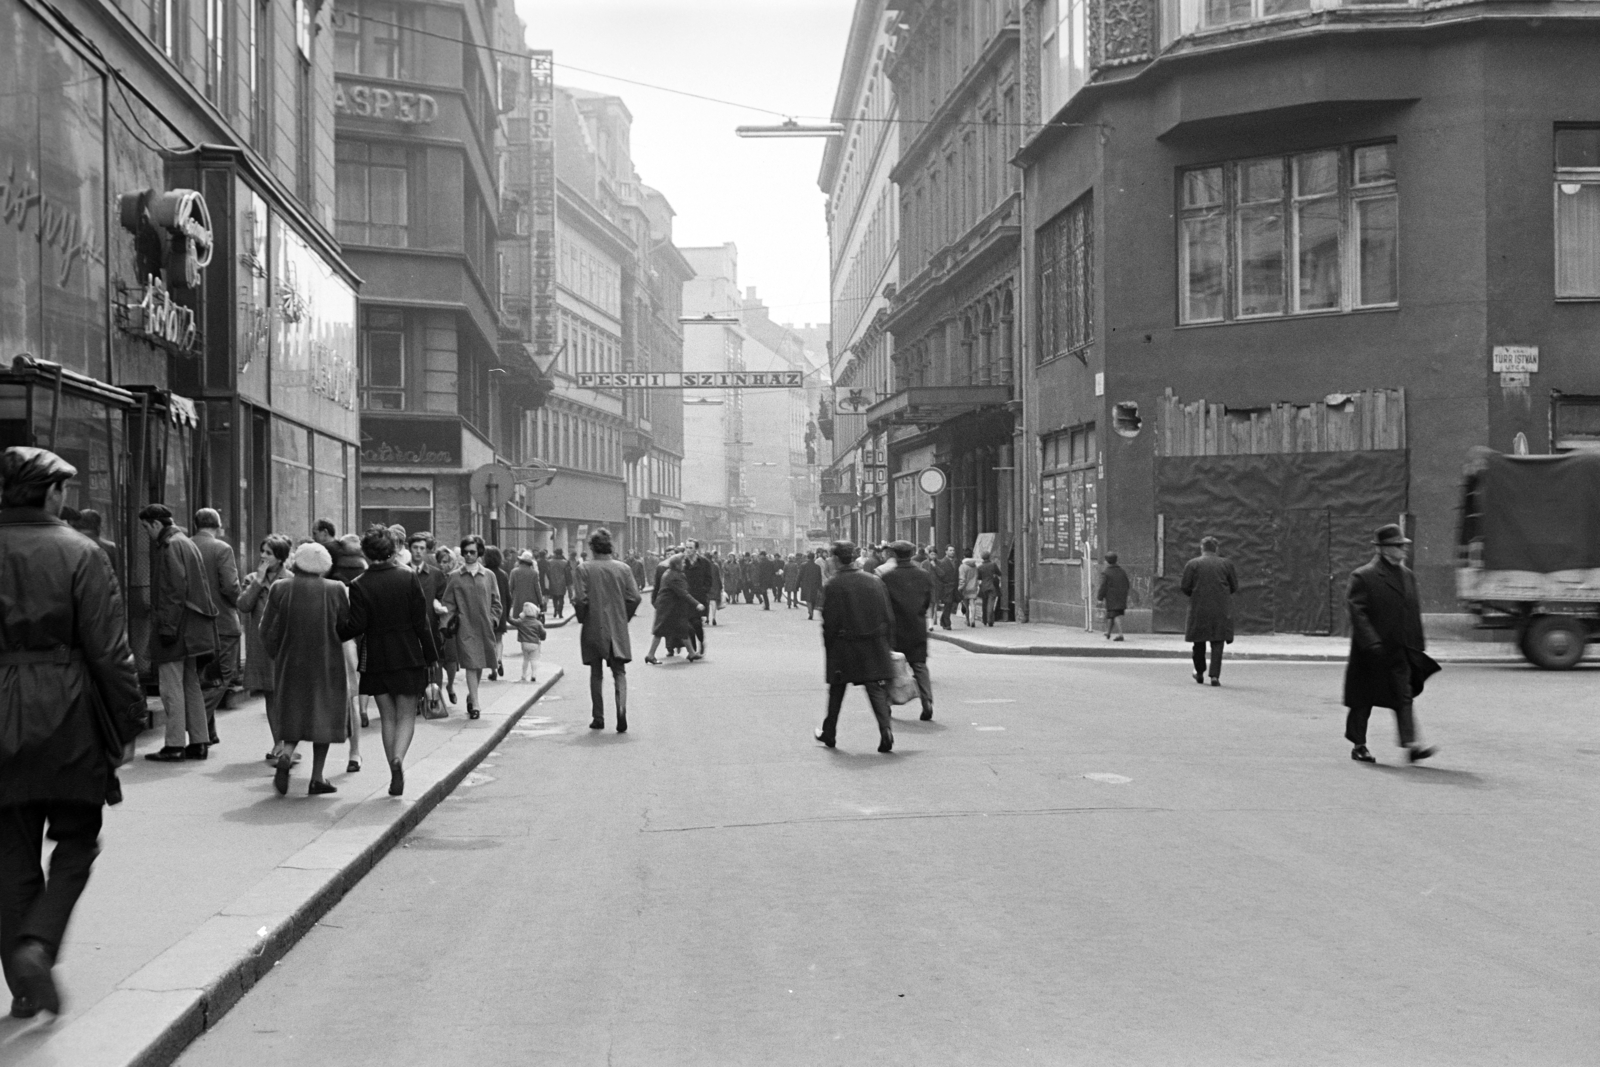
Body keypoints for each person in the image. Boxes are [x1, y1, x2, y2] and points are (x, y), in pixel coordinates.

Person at [0, 447, 144, 1019]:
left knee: (9, 852)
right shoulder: (81, 553)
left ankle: (24, 984)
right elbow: (110, 653)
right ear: (51, 494)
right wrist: (127, 722)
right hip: (66, 713)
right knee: (77, 838)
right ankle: (39, 945)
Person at [341, 527, 438, 797]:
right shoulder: (407, 577)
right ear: (392, 551)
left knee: (387, 717)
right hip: (408, 652)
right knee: (407, 714)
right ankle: (399, 759)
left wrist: (334, 629)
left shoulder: (359, 584)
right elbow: (422, 622)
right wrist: (431, 656)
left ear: (366, 553)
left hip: (376, 656)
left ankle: (391, 765)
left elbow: (356, 625)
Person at [1344, 525, 1440, 764]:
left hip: (1399, 649)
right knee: (1362, 700)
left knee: (1403, 695)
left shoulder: (1407, 575)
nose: (1403, 549)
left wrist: (1417, 643)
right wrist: (1371, 643)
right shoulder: (1363, 576)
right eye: (1398, 546)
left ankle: (1412, 745)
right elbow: (1358, 613)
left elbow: (1412, 611)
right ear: (1384, 549)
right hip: (1372, 652)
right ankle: (1359, 745)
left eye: (1404, 545)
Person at [261, 542, 350, 796]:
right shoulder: (336, 589)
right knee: (323, 715)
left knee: (294, 712)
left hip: (291, 662)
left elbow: (265, 628)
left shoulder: (280, 588)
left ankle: (287, 754)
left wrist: (277, 653)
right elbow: (345, 626)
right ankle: (317, 777)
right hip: (327, 663)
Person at [140, 503, 219, 762]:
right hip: (192, 627)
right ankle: (199, 741)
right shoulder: (185, 541)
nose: (147, 534)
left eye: (146, 528)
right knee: (191, 684)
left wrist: (167, 628)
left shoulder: (170, 545)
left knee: (170, 687)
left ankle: (174, 744)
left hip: (176, 628)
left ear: (155, 524)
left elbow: (173, 591)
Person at [815, 540, 895, 754]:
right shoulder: (874, 581)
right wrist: (885, 643)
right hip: (872, 644)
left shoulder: (833, 584)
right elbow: (888, 616)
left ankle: (829, 732)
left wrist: (830, 647)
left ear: (836, 559)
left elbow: (829, 622)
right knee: (874, 688)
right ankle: (885, 730)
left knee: (837, 690)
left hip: (844, 646)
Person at [573, 528, 641, 732]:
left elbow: (580, 599)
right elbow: (635, 597)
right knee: (619, 671)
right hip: (617, 627)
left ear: (592, 548)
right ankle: (621, 711)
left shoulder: (584, 569)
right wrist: (623, 617)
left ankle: (598, 717)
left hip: (593, 625)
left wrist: (583, 617)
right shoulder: (623, 568)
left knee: (596, 673)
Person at [238, 534, 292, 762]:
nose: (263, 556)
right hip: (263, 646)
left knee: (287, 697)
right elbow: (243, 605)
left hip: (287, 645)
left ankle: (288, 744)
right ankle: (278, 743)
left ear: (280, 558)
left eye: (269, 553)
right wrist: (259, 582)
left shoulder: (291, 579)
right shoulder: (252, 579)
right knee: (271, 694)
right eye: (262, 551)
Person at [192, 508, 241, 739]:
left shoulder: (186, 545)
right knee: (223, 676)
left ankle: (208, 732)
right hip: (222, 621)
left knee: (203, 676)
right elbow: (230, 586)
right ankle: (196, 720)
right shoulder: (222, 549)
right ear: (218, 525)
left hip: (194, 623)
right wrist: (238, 602)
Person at [443, 535, 501, 720]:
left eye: (472, 552)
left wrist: (493, 619)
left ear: (479, 553)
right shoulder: (455, 577)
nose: (468, 555)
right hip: (465, 627)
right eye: (466, 552)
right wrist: (447, 622)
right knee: (470, 663)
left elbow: (496, 602)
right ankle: (475, 704)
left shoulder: (489, 575)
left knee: (480, 664)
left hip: (484, 626)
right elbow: (448, 603)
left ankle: (471, 694)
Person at [880, 540, 935, 721]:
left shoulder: (887, 577)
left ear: (894, 555)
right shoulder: (924, 575)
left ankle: (888, 704)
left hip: (895, 629)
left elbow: (884, 604)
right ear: (911, 554)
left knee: (891, 667)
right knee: (919, 665)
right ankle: (927, 701)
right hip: (917, 625)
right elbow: (928, 601)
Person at [327, 533, 367, 771]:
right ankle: (354, 753)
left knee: (318, 698)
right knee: (351, 697)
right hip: (350, 641)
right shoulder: (364, 573)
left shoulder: (331, 576)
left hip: (326, 640)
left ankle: (297, 751)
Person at [1181, 536, 1238, 687]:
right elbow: (1234, 587)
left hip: (1199, 608)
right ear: (1217, 549)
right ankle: (1214, 676)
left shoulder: (1192, 564)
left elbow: (1185, 587)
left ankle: (1199, 672)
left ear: (1201, 548)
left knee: (1198, 642)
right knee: (1217, 643)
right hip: (1220, 608)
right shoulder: (1226, 564)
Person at [645, 554, 703, 664]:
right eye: (683, 562)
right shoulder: (674, 576)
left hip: (672, 607)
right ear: (677, 564)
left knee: (682, 628)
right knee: (660, 631)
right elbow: (683, 593)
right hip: (668, 608)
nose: (685, 564)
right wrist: (697, 604)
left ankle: (691, 653)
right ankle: (650, 655)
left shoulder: (672, 573)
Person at [483, 546, 512, 680]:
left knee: (489, 641)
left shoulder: (483, 573)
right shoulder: (503, 574)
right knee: (499, 639)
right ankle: (499, 659)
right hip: (501, 610)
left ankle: (493, 669)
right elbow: (507, 595)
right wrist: (507, 611)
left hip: (487, 611)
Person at [683, 540, 717, 646]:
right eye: (686, 547)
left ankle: (701, 641)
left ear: (696, 549)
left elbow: (709, 579)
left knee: (697, 623)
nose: (688, 550)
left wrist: (704, 590)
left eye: (690, 548)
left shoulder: (704, 562)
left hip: (699, 597)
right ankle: (692, 650)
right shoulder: (683, 562)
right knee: (688, 625)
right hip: (686, 598)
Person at [1097, 551, 1131, 641]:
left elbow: (1103, 586)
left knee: (1114, 614)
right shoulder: (1121, 571)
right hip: (1121, 595)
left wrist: (1100, 598)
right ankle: (1108, 633)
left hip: (1112, 596)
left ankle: (1120, 635)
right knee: (1111, 614)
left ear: (1107, 561)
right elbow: (1127, 583)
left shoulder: (1106, 572)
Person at [514, 603, 546, 682]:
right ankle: (533, 675)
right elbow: (543, 633)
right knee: (534, 660)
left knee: (525, 660)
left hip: (524, 643)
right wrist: (542, 638)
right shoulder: (538, 623)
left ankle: (524, 675)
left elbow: (512, 621)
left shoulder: (521, 622)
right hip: (534, 643)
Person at [509, 549, 545, 620]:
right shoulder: (534, 573)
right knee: (531, 623)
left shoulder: (514, 572)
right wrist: (541, 602)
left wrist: (509, 602)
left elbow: (510, 588)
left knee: (519, 622)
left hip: (518, 602)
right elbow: (537, 589)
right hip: (532, 603)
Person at [933, 546, 959, 630]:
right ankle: (947, 623)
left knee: (950, 605)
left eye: (953, 550)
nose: (952, 552)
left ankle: (943, 620)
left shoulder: (956, 561)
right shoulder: (942, 562)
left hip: (954, 586)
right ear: (946, 552)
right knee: (948, 604)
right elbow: (940, 575)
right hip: (946, 586)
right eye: (950, 550)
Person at [976, 550, 1002, 626]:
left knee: (984, 603)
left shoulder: (980, 567)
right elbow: (999, 573)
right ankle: (990, 620)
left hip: (983, 586)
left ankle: (984, 620)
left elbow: (978, 577)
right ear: (989, 556)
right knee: (991, 603)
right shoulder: (993, 565)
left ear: (982, 558)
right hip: (992, 586)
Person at [544, 548, 570, 619]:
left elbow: (548, 572)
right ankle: (560, 613)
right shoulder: (565, 562)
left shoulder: (549, 562)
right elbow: (567, 573)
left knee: (554, 598)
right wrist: (567, 583)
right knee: (561, 598)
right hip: (562, 582)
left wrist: (550, 579)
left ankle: (555, 610)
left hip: (553, 581)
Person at [799, 550, 824, 621]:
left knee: (808, 599)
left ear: (807, 557)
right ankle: (811, 610)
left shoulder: (803, 565)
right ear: (814, 558)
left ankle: (810, 612)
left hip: (805, 584)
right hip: (814, 585)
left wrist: (797, 585)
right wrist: (820, 587)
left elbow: (799, 576)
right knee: (813, 599)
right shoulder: (817, 567)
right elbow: (820, 578)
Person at [958, 554, 979, 627]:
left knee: (966, 605)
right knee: (972, 604)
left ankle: (967, 620)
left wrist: (960, 587)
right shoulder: (975, 566)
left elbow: (962, 578)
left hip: (965, 588)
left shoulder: (962, 566)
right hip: (973, 587)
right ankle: (972, 619)